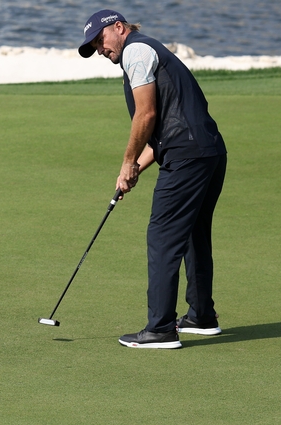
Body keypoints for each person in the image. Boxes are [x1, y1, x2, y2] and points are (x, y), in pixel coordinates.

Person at [78, 10, 227, 349]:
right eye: (94, 47)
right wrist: (133, 171)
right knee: (193, 234)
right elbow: (164, 133)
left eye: (100, 40)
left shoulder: (135, 51)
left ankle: (160, 329)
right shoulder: (148, 51)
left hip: (187, 156)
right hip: (209, 152)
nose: (100, 49)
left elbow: (147, 115)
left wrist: (128, 161)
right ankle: (201, 317)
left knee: (162, 237)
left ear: (119, 28)